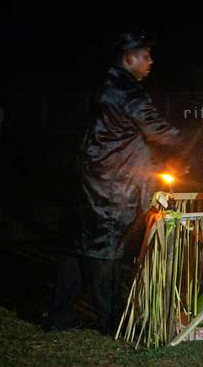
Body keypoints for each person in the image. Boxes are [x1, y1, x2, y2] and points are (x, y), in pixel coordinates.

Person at [50, 31, 183, 334]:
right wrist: (201, 145)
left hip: (86, 178)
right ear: (129, 57)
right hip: (111, 184)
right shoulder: (127, 91)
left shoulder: (100, 83)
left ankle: (61, 316)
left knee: (76, 247)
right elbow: (159, 130)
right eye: (146, 55)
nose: (151, 61)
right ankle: (112, 323)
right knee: (107, 249)